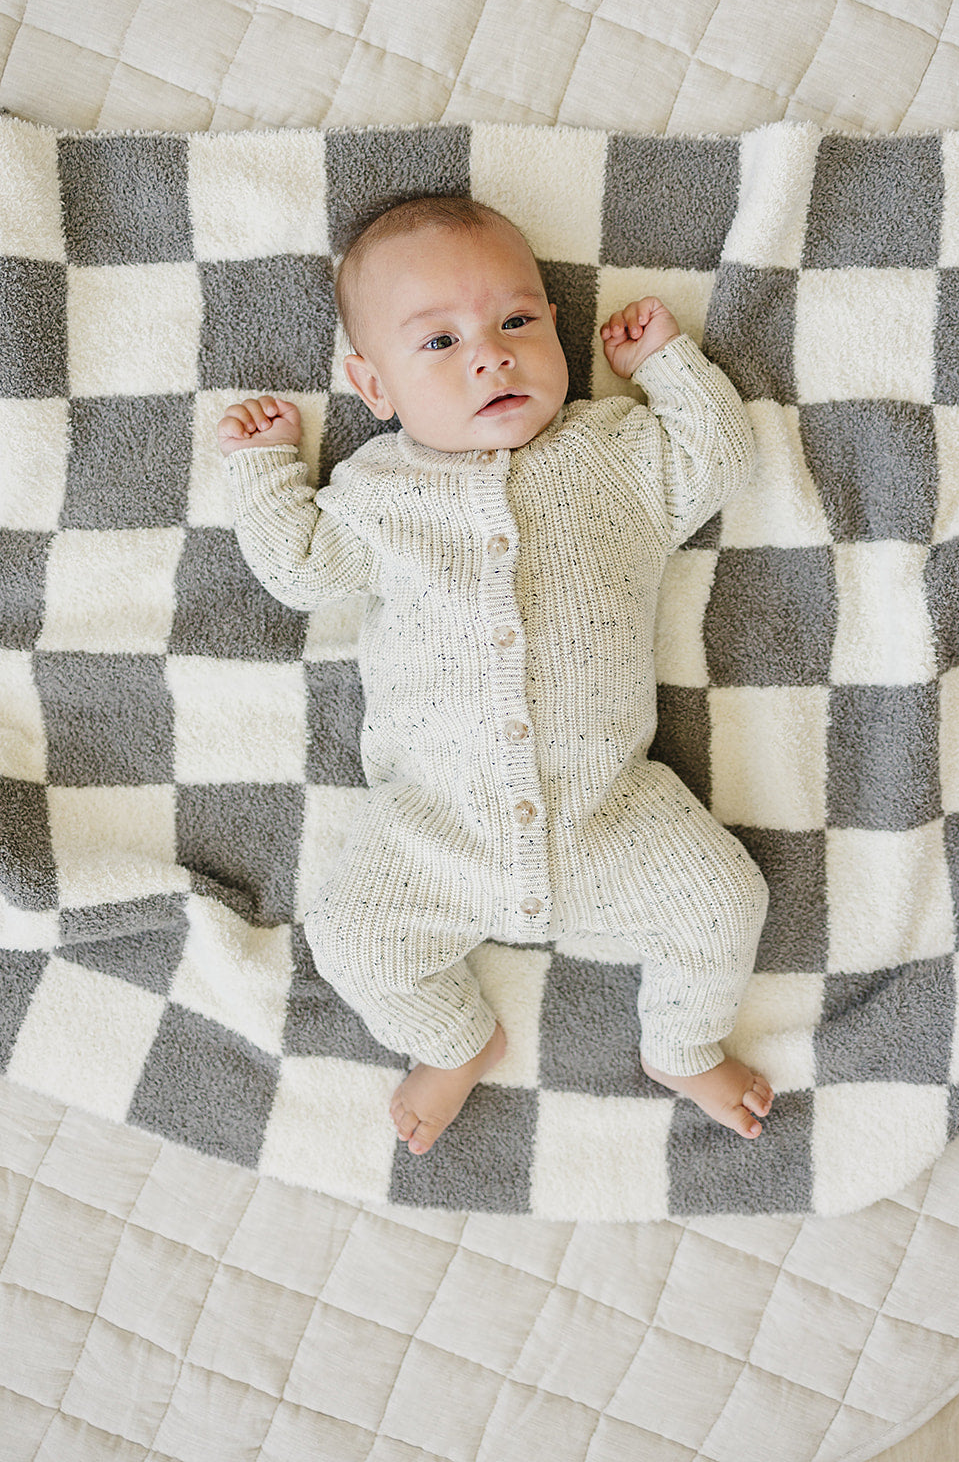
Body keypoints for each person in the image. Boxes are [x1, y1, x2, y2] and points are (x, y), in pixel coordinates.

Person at [218, 194, 773, 1156]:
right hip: (437, 826)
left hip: (610, 810)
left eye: (516, 321)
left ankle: (681, 1043)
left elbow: (716, 457)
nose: (490, 355)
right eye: (437, 343)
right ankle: (455, 1040)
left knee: (726, 900)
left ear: (555, 327)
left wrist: (665, 367)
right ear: (373, 385)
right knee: (353, 939)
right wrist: (268, 472)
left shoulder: (611, 453)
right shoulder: (378, 494)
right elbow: (300, 568)